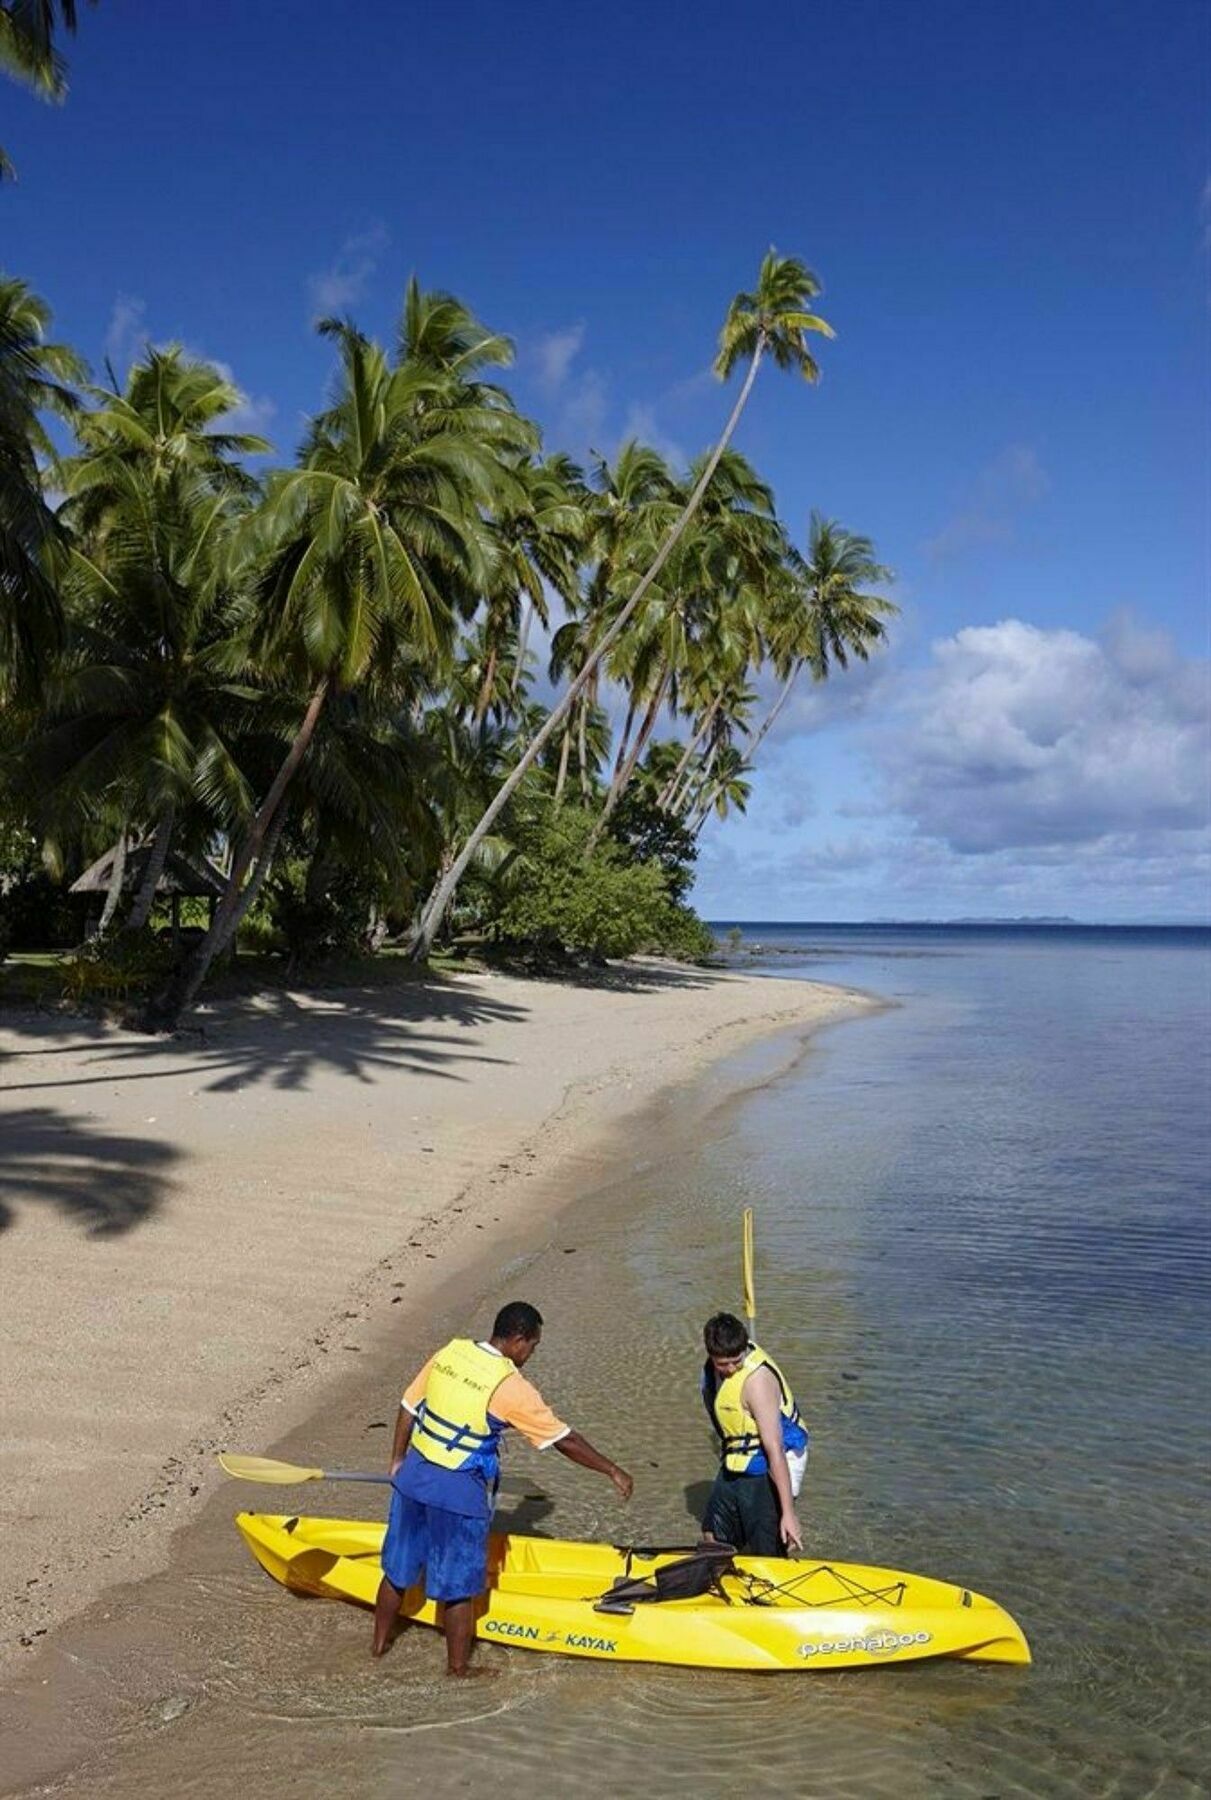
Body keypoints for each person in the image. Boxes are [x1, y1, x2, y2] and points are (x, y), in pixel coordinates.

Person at [372, 1300, 633, 1676]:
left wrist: (397, 1460)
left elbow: (408, 1406)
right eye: (533, 1346)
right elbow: (565, 1440)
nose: (531, 1354)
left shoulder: (451, 1351)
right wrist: (613, 1471)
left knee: (396, 1573)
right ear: (517, 1339)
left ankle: (378, 1647)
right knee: (460, 1589)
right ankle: (459, 1670)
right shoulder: (512, 1387)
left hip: (412, 1479)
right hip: (457, 1495)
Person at [699, 1311, 808, 1557]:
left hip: (777, 1455)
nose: (730, 1369)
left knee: (767, 1544)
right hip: (740, 1456)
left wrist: (789, 1514)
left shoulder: (757, 1382)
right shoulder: (711, 1371)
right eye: (722, 1364)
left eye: (736, 1361)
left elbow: (775, 1449)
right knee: (713, 1535)